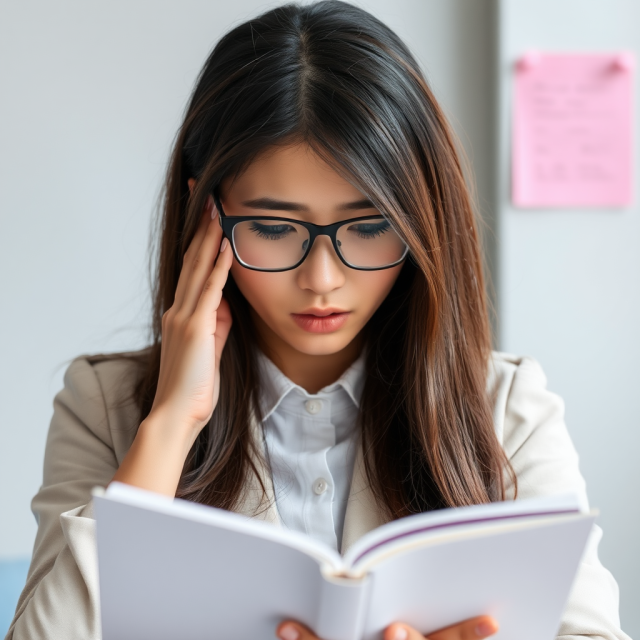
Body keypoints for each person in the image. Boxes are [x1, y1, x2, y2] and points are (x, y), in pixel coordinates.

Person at [5, 2, 629, 639]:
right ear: (204, 215)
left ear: (423, 219)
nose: (322, 279)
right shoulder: (109, 408)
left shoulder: (507, 410)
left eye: (369, 227)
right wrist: (171, 425)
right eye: (274, 228)